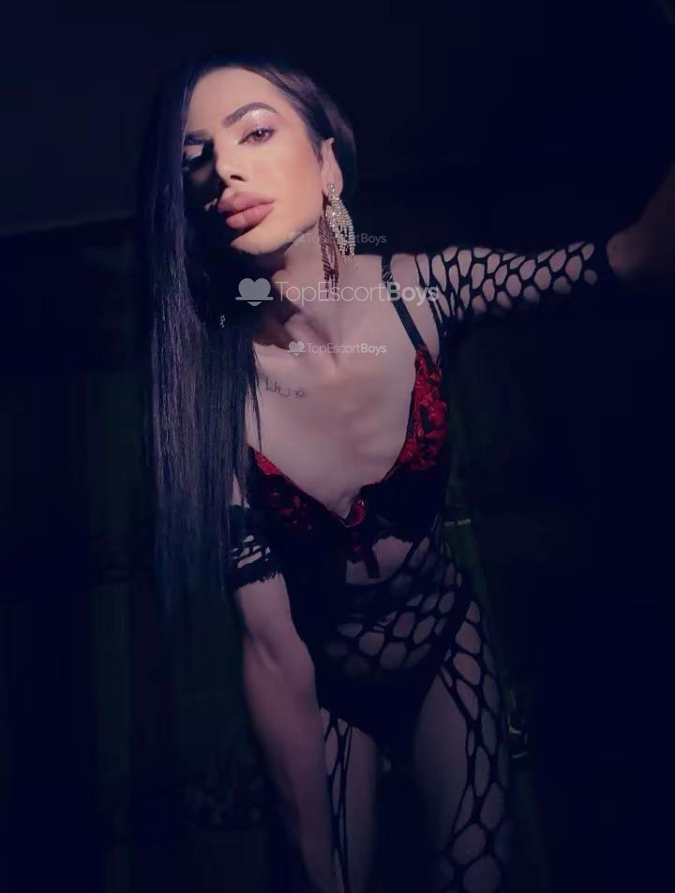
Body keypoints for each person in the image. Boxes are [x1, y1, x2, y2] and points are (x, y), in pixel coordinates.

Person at [137, 53, 674, 893]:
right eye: (194, 157)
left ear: (327, 165)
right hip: (322, 685)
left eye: (256, 132)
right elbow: (272, 651)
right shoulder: (211, 397)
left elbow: (628, 259)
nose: (224, 169)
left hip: (442, 647)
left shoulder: (423, 292)